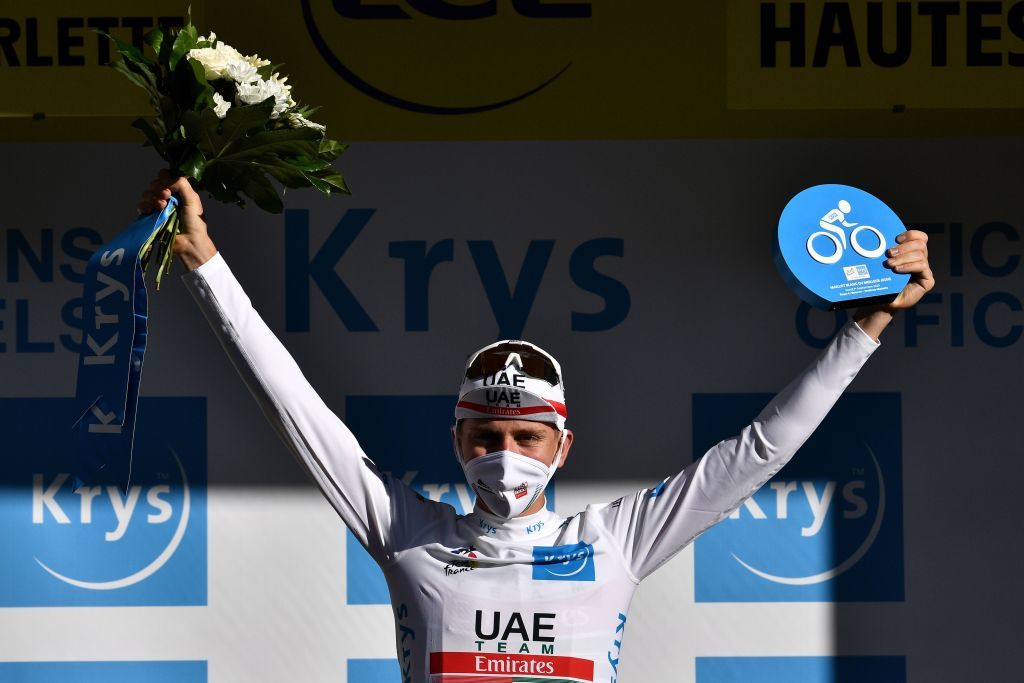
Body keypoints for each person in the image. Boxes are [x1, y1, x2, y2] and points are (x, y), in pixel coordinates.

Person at [139, 171, 934, 682]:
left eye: (527, 437)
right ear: (458, 441)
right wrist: (206, 265)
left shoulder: (618, 539)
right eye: (486, 437)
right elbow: (294, 406)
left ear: (564, 446)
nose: (505, 457)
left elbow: (759, 450)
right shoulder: (408, 530)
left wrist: (864, 327)